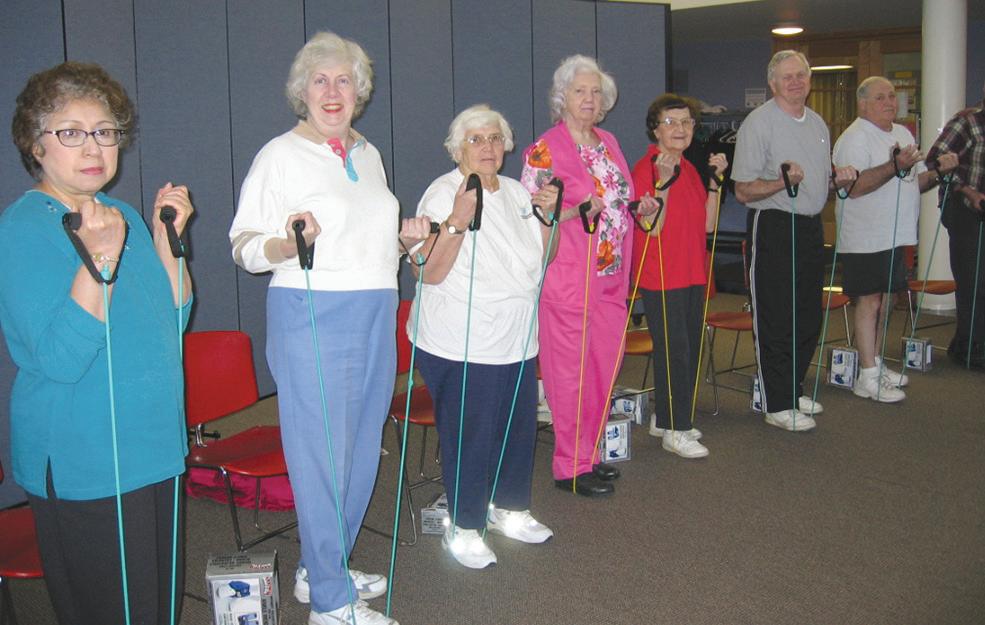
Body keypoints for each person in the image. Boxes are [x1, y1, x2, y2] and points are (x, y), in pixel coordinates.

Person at [228, 32, 428, 625]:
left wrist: (405, 243)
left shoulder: (367, 153)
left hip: (375, 308)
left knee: (361, 449)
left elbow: (367, 242)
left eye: (344, 80)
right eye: (321, 80)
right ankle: (332, 604)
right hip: (311, 309)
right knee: (321, 458)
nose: (333, 91)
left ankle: (322, 568)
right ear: (303, 91)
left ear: (359, 91)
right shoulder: (279, 155)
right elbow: (243, 245)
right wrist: (288, 244)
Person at [0, 61, 193, 625]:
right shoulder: (22, 229)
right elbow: (61, 359)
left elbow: (172, 321)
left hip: (153, 445)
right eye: (71, 131)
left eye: (105, 131)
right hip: (86, 459)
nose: (93, 146)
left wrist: (166, 242)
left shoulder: (121, 214)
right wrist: (99, 259)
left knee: (157, 605)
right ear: (35, 143)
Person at [409, 104, 560, 569]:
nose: (487, 147)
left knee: (517, 430)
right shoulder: (444, 192)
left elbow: (544, 259)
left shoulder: (516, 192)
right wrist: (458, 217)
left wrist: (548, 219)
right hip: (461, 342)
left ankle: (509, 508)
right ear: (457, 148)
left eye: (495, 138)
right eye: (475, 139)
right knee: (471, 437)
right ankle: (465, 525)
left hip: (516, 337)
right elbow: (428, 272)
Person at [521, 54, 658, 496]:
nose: (589, 98)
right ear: (562, 97)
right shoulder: (545, 149)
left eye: (596, 92)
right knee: (568, 375)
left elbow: (616, 203)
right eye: (580, 91)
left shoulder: (609, 142)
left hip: (611, 276)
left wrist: (640, 208)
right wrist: (572, 211)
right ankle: (569, 466)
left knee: (603, 366)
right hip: (568, 280)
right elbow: (530, 216)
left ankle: (590, 452)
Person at [731, 50, 856, 432]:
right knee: (777, 316)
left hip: (810, 226)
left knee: (807, 315)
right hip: (773, 225)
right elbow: (743, 190)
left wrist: (837, 180)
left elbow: (817, 182)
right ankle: (777, 403)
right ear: (773, 84)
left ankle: (792, 388)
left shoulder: (817, 123)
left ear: (809, 80)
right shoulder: (758, 123)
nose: (795, 82)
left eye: (801, 75)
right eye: (787, 77)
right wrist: (780, 183)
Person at [833, 76, 958, 401]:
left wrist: (939, 172)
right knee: (870, 301)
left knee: (887, 301)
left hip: (896, 235)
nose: (889, 102)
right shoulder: (854, 138)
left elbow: (913, 182)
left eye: (892, 96)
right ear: (862, 103)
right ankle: (867, 376)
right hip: (864, 235)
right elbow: (854, 188)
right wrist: (894, 165)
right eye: (880, 97)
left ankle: (874, 361)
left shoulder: (902, 133)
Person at [630, 94, 727, 458]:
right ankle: (676, 428)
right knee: (676, 352)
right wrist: (664, 182)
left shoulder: (689, 167)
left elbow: (708, 224)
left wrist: (715, 181)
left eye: (686, 122)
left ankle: (666, 417)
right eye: (671, 122)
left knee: (689, 347)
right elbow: (652, 227)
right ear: (655, 130)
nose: (680, 129)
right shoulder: (646, 169)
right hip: (662, 274)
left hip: (692, 272)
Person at [926, 81, 985, 369]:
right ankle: (972, 348)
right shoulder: (967, 122)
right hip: (966, 211)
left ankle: (964, 343)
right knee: (974, 283)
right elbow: (935, 160)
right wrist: (968, 191)